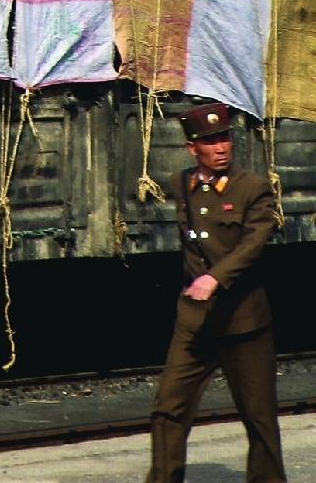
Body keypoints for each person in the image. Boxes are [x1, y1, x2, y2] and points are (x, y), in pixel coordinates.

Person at [147, 100, 285, 483]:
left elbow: (252, 244)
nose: (221, 147)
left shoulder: (253, 188)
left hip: (243, 322)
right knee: (167, 410)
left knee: (259, 418)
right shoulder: (183, 185)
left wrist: (215, 278)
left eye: (224, 138)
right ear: (193, 148)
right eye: (210, 141)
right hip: (195, 321)